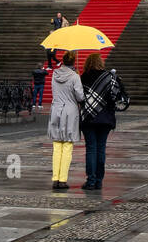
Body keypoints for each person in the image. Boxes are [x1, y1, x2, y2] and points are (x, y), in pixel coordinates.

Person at [79, 54, 127, 190]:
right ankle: (99, 181)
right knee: (101, 149)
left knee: (91, 149)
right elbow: (115, 96)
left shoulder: (83, 77)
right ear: (101, 63)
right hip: (105, 118)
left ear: (87, 63)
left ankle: (91, 180)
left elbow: (79, 97)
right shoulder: (109, 77)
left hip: (88, 118)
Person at [47, 51, 84, 191]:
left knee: (57, 146)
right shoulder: (75, 77)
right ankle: (63, 179)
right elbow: (80, 97)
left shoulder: (54, 75)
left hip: (56, 110)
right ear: (73, 62)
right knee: (67, 146)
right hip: (69, 111)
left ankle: (55, 178)